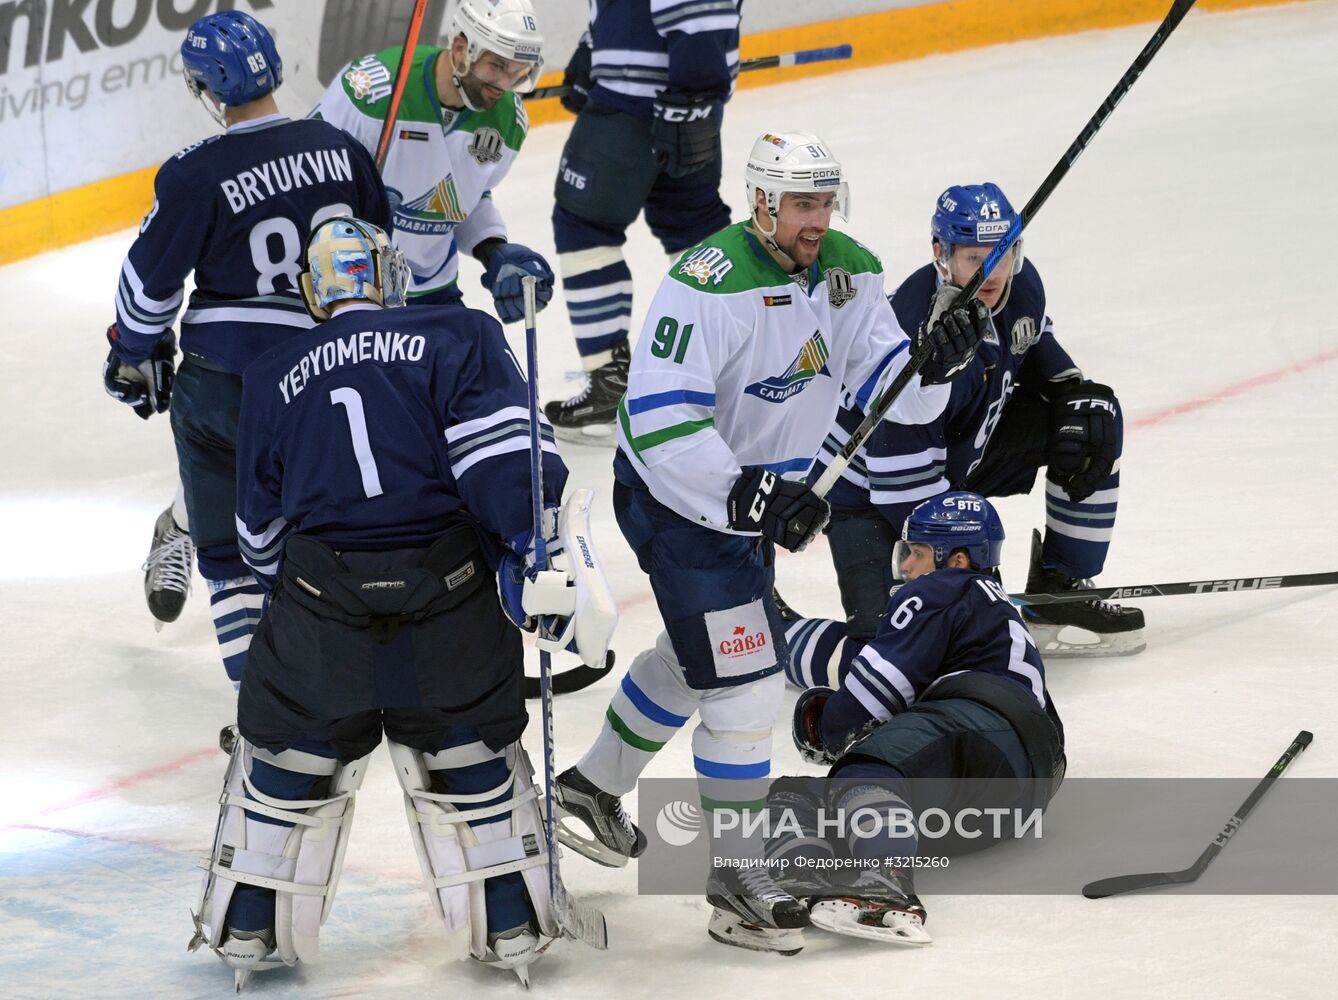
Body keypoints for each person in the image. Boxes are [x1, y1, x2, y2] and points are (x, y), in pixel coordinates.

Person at [547, 131, 989, 953]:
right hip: (679, 499)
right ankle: (737, 880)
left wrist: (935, 368)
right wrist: (749, 491)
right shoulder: (703, 285)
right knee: (747, 683)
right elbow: (659, 419)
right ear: (761, 203)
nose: (817, 219)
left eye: (825, 201)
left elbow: (901, 402)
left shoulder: (850, 271)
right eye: (801, 204)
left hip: (751, 504)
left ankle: (589, 788)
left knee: (699, 655)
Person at [187, 217, 615, 990]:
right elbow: (507, 471)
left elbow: (257, 539)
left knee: (293, 747)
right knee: (467, 745)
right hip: (446, 598)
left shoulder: (272, 370)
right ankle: (511, 920)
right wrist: (527, 551)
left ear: (315, 295)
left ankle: (251, 925)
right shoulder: (458, 334)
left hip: (322, 606)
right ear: (391, 278)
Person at [103, 10, 390, 683]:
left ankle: (260, 714)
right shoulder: (340, 147)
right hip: (330, 375)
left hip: (226, 382)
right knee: (324, 536)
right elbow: (380, 248)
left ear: (206, 88)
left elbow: (147, 286)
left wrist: (133, 353)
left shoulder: (193, 174)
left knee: (231, 559)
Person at [785, 181, 1142, 673]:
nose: (992, 272)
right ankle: (779, 636)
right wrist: (966, 557)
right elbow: (904, 495)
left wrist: (1073, 390)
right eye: (975, 258)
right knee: (890, 663)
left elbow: (1035, 347)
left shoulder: (1023, 284)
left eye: (1003, 254)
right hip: (868, 496)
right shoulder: (913, 328)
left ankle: (1059, 590)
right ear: (942, 253)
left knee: (1088, 420)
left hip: (958, 454)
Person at [779, 491, 1066, 948]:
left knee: (868, 771)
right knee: (797, 797)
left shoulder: (945, 587)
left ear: (957, 559)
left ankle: (885, 887)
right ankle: (807, 879)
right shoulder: (991, 603)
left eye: (916, 553)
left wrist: (827, 726)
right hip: (1015, 793)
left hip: (986, 730)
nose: (907, 567)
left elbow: (872, 691)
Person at [543, 0, 741, 444]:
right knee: (693, 225)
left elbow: (698, 11)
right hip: (678, 94)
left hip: (638, 101)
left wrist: (693, 91)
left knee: (582, 224)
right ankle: (731, 373)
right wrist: (592, 49)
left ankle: (609, 389)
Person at [310, 0, 555, 321]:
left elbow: (466, 198)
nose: (505, 84)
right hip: (352, 294)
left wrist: (492, 248)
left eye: (516, 70)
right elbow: (307, 175)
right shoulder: (371, 91)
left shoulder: (508, 120)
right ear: (460, 48)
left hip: (432, 292)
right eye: (496, 66)